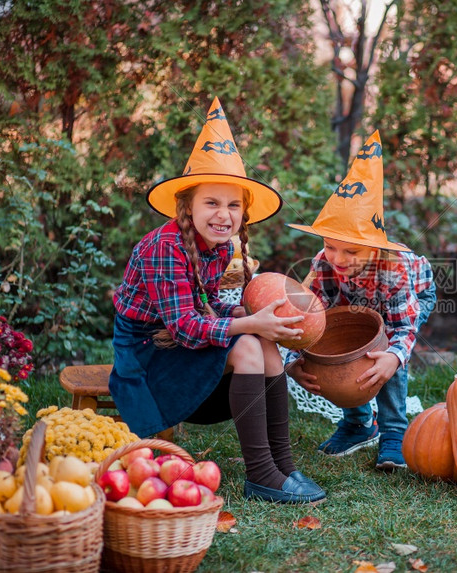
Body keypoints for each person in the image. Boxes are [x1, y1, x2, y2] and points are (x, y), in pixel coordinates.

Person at [109, 97, 325, 503]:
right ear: (187, 205)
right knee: (247, 343)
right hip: (148, 354)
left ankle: (282, 464)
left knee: (261, 342)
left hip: (180, 342)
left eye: (233, 205)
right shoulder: (164, 247)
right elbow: (186, 327)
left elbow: (208, 307)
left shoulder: (222, 247)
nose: (223, 215)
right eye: (211, 202)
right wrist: (246, 324)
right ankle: (261, 473)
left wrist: (249, 316)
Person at [285, 131, 436, 471]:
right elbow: (310, 322)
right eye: (331, 244)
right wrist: (294, 361)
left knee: (383, 353)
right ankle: (358, 424)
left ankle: (394, 431)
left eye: (351, 250)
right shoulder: (324, 264)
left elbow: (404, 329)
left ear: (374, 248)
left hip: (413, 296)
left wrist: (394, 359)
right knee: (337, 345)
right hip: (353, 301)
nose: (338, 256)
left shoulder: (393, 270)